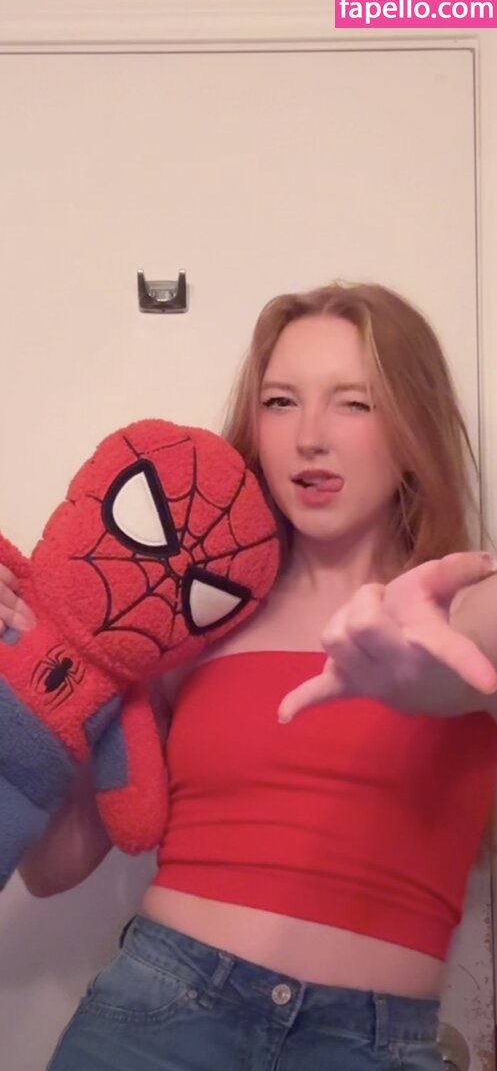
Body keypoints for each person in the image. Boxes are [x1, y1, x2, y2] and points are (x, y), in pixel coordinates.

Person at [5, 281, 497, 1070]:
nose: (309, 437)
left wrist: (430, 683)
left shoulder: (465, 606)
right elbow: (53, 870)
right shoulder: (189, 622)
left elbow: (474, 646)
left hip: (370, 1046)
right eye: (279, 402)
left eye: (354, 403)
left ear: (413, 428)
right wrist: (36, 666)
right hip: (158, 1014)